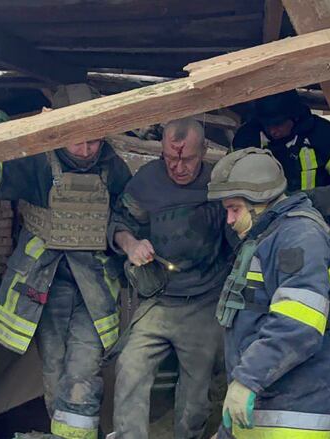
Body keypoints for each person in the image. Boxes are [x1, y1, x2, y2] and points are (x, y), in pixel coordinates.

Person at [0, 84, 132, 439]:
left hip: (94, 289)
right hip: (45, 285)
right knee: (54, 371)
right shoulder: (37, 161)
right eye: (77, 141)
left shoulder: (113, 168)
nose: (86, 150)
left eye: (94, 141)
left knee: (83, 371)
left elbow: (128, 214)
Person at [206, 147, 330, 438]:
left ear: (260, 201)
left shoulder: (299, 238)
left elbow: (299, 324)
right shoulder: (271, 235)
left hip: (293, 413)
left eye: (235, 209)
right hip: (266, 405)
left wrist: (246, 380)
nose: (229, 221)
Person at [110, 118, 230, 438]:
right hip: (159, 301)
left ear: (204, 151)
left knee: (195, 396)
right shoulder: (146, 182)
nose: (177, 167)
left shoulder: (219, 184)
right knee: (130, 367)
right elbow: (119, 224)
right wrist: (131, 244)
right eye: (169, 158)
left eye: (187, 159)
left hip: (205, 301)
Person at [233, 90, 330, 234]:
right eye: (266, 124)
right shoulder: (246, 139)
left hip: (316, 221)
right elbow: (231, 188)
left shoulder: (325, 137)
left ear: (295, 117)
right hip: (259, 223)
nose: (273, 130)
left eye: (278, 124)